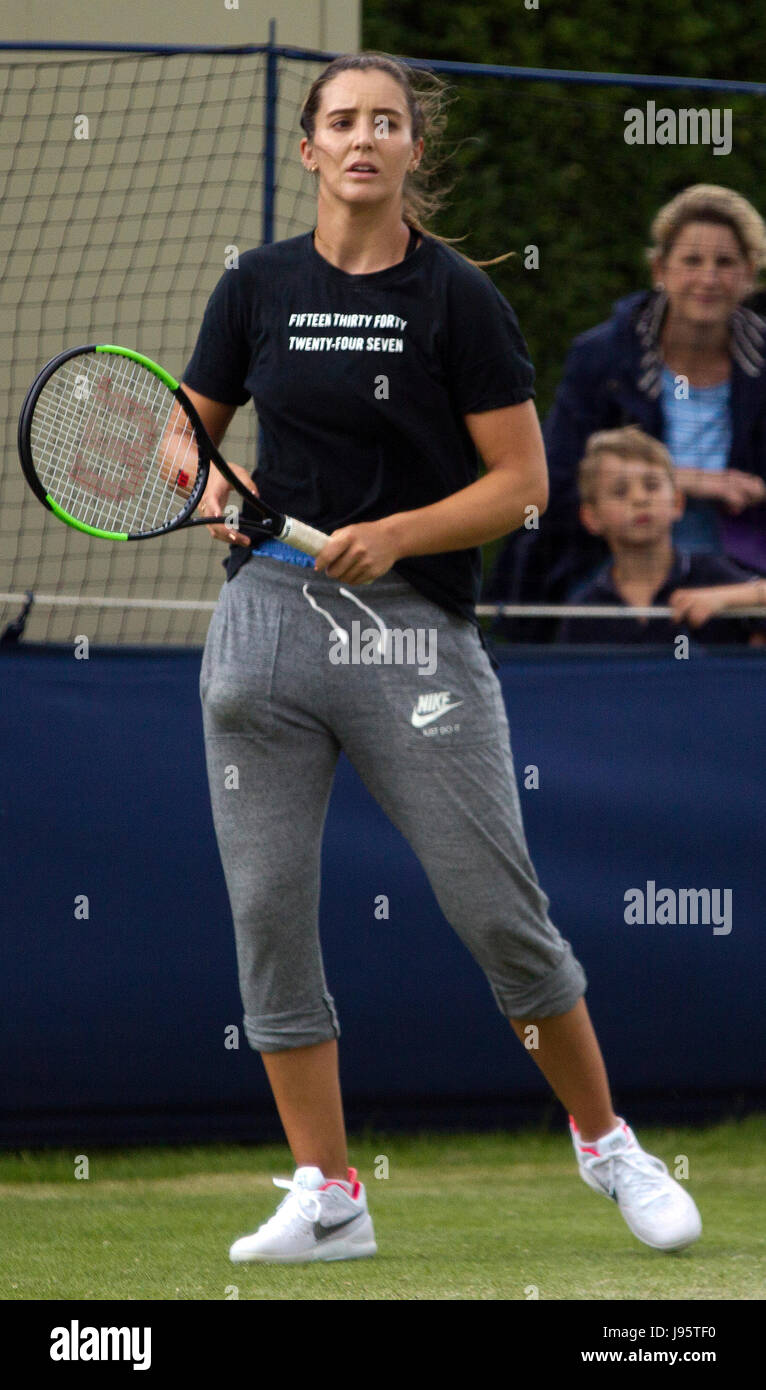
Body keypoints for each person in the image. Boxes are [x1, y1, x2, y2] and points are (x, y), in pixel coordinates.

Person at [181, 51, 701, 1263]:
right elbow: (181, 436)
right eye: (342, 122)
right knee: (266, 912)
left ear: (416, 150)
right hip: (260, 629)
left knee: (498, 916)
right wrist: (210, 486)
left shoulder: (460, 297)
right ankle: (327, 1192)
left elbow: (521, 486)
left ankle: (607, 1142)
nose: (364, 137)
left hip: (411, 635)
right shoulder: (253, 286)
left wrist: (395, 536)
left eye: (388, 122)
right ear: (308, 150)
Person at [488, 184, 766, 642]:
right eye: (692, 261)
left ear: (749, 274)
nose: (709, 278)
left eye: (726, 262)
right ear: (660, 269)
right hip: (608, 552)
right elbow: (557, 479)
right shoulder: (602, 356)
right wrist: (692, 481)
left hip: (739, 559)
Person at [555, 426, 766, 645]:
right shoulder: (584, 610)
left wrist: (725, 599)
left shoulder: (710, 574)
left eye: (652, 486)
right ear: (591, 517)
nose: (639, 499)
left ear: (677, 502)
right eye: (620, 491)